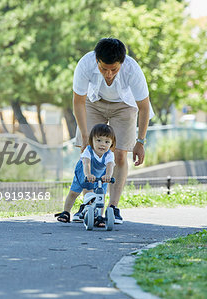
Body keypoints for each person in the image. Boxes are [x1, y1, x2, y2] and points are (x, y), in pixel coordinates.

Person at [72, 37, 154, 224]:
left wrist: (140, 142)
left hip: (124, 105)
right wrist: (85, 136)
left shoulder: (132, 69)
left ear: (122, 63)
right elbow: (78, 101)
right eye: (103, 69)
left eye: (114, 69)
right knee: (88, 152)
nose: (108, 74)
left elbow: (144, 107)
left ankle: (113, 207)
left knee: (119, 155)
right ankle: (89, 203)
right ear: (96, 61)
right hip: (94, 102)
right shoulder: (85, 64)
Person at [55, 124, 116, 227]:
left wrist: (108, 176)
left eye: (107, 142)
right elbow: (86, 163)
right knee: (74, 192)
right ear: (91, 140)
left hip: (101, 176)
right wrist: (88, 174)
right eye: (99, 140)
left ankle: (99, 216)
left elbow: (110, 165)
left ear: (111, 144)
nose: (102, 144)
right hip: (83, 173)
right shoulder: (88, 151)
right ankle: (66, 212)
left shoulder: (109, 154)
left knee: (101, 196)